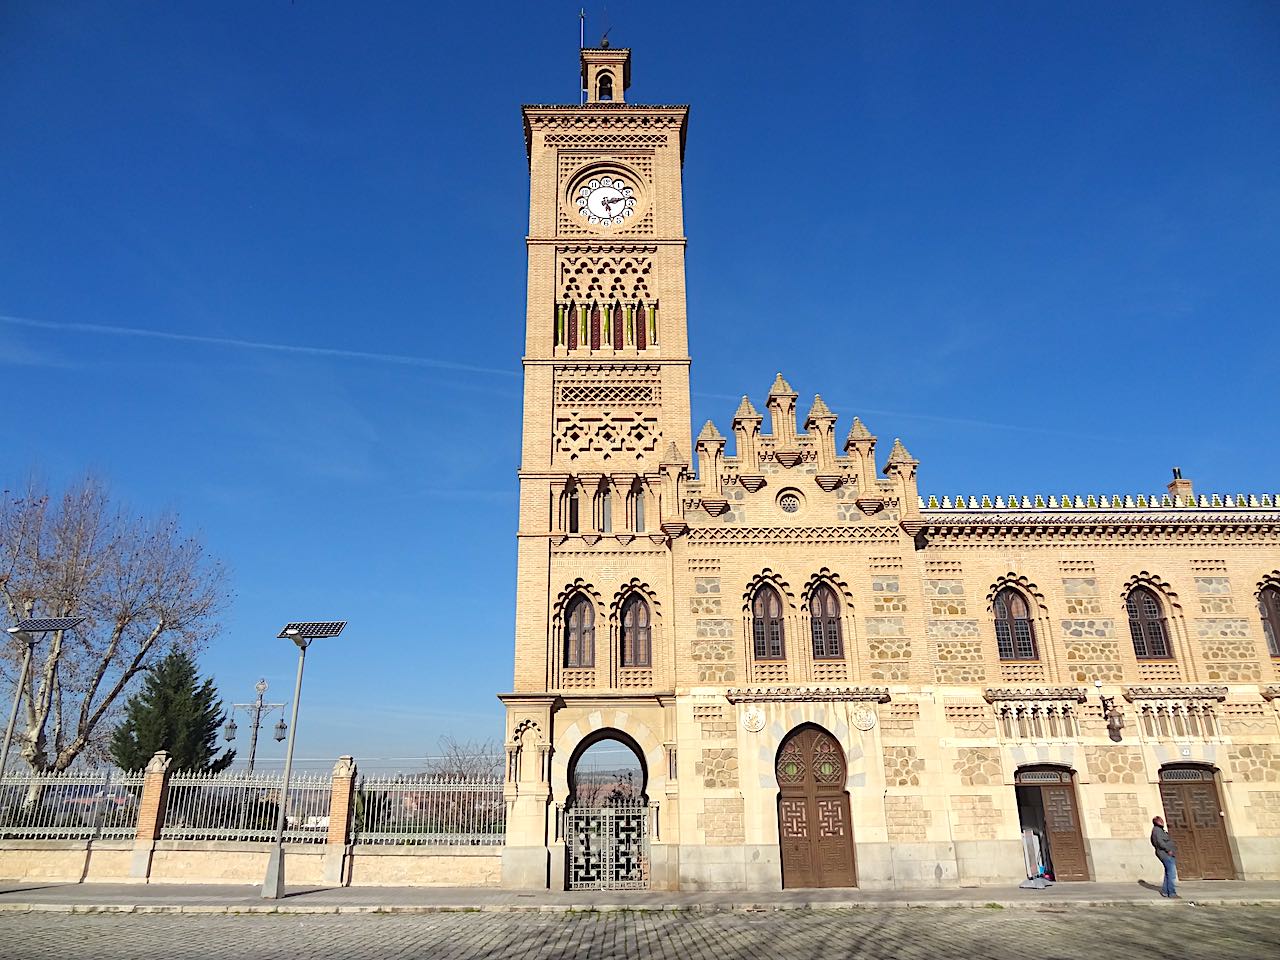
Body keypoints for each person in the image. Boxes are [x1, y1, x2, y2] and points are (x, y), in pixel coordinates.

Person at [1150, 815, 1178, 898]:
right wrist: (1167, 849)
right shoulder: (1157, 830)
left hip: (1166, 853)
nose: (1162, 822)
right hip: (1165, 854)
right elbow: (1159, 842)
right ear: (1157, 822)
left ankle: (1165, 891)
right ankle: (1172, 892)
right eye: (1160, 820)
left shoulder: (1160, 830)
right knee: (1171, 874)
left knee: (1168, 873)